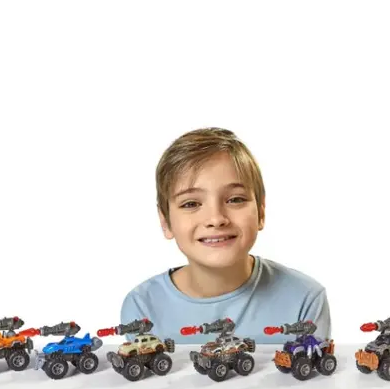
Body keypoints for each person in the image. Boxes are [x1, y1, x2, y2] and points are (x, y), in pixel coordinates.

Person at [119, 127, 331, 344]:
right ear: (165, 221)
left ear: (261, 212)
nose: (216, 218)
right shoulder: (142, 306)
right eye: (191, 203)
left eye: (235, 200)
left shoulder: (305, 299)